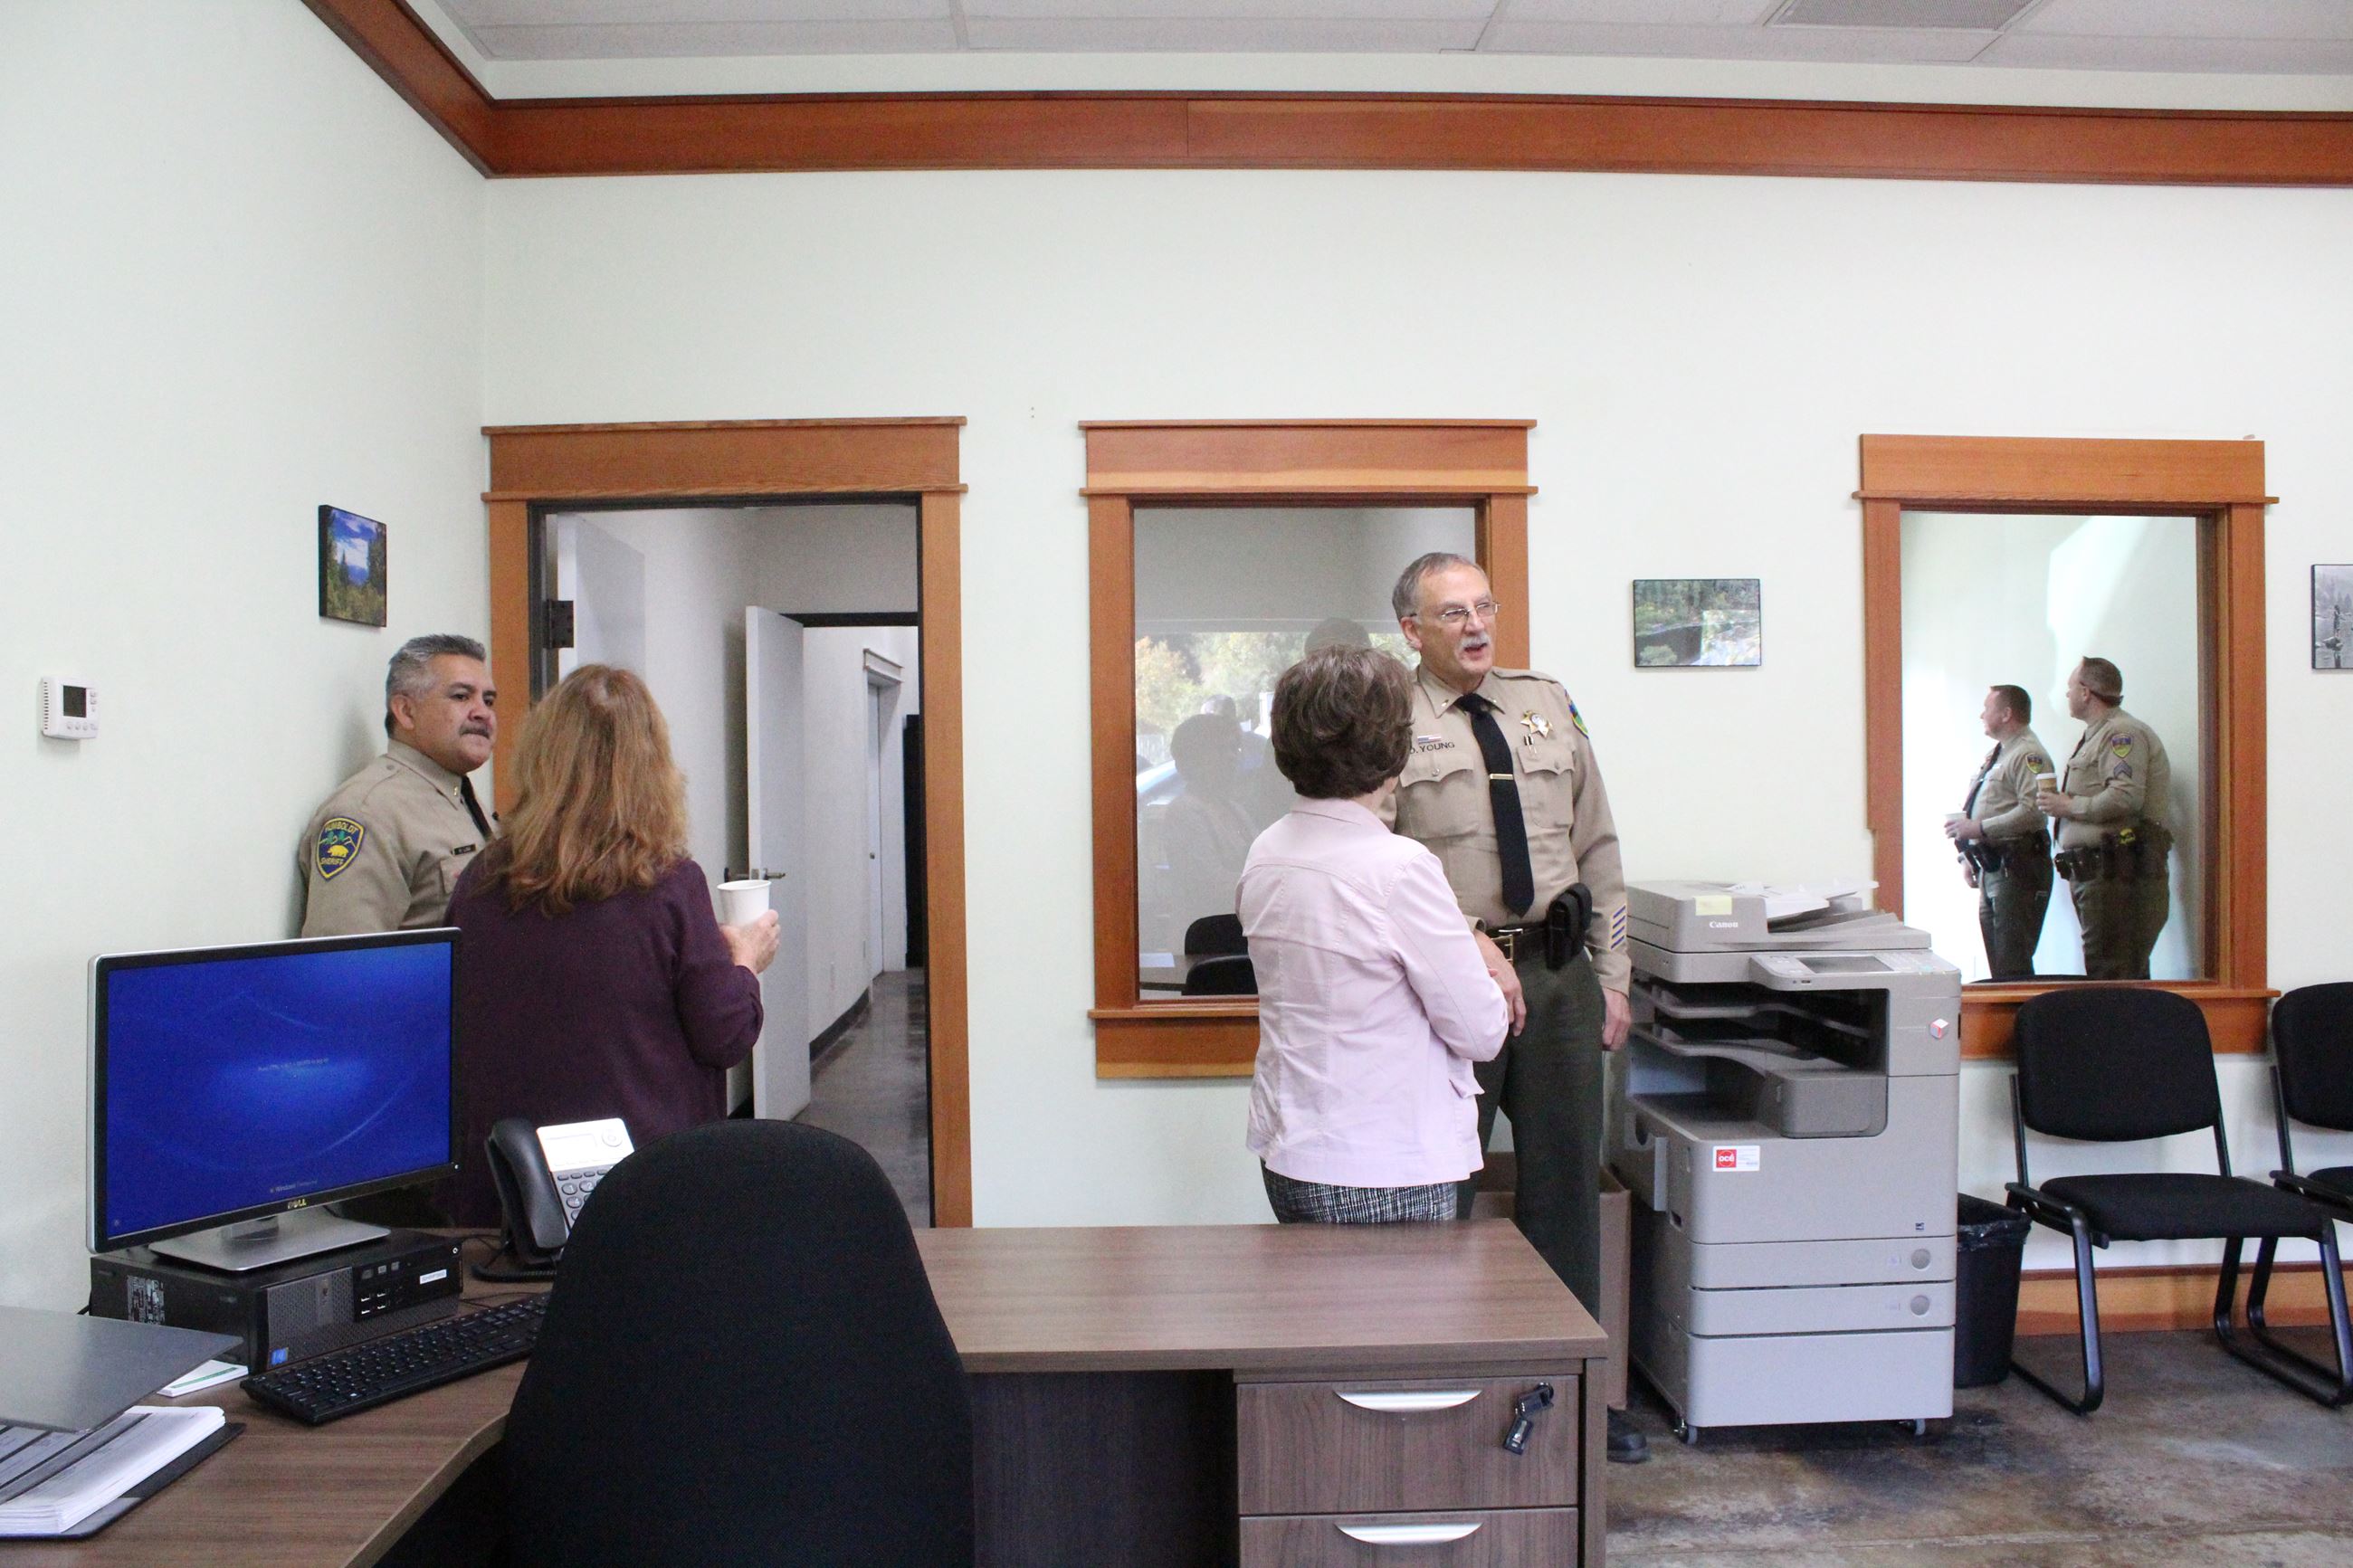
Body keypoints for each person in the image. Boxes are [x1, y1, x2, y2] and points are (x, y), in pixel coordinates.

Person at [1381, 552, 1644, 1463]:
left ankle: (1573, 1391)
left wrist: (1614, 974)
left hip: (1559, 970)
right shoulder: (1388, 723)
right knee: (1436, 1184)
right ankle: (1442, 1381)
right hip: (1451, 982)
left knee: (1567, 1180)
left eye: (1482, 606)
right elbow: (1376, 869)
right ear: (1410, 630)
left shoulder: (1544, 701)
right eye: (1449, 612)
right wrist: (1458, 952)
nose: (1473, 624)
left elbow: (1599, 849)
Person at [443, 664, 778, 1228]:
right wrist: (743, 961)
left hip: (508, 1190)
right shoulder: (667, 883)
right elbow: (725, 1034)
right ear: (653, 766)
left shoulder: (482, 880)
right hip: (640, 1188)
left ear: (542, 757)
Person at [1242, 647, 1508, 1223]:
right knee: (1402, 1316)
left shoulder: (1267, 851)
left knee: (1316, 1312)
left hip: (1292, 1149)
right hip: (1384, 1165)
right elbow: (1482, 1030)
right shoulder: (1398, 867)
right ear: (1393, 749)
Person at [299, 634, 500, 936]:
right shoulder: (367, 814)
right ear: (405, 711)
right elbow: (344, 966)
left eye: (488, 700)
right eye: (461, 696)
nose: (482, 712)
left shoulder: (458, 794)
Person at [2039, 657, 2174, 980]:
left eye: (2071, 687)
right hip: (2101, 874)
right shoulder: (2099, 733)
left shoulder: (2121, 733)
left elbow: (2125, 797)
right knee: (2111, 971)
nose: (2067, 694)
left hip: (2117, 876)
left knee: (2112, 975)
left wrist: (2067, 806)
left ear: (2086, 692)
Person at [1943, 684, 2054, 979]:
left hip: (2018, 868)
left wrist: (1978, 827)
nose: (1981, 714)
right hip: (1992, 867)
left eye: (1987, 708)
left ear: (2006, 714)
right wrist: (1968, 857)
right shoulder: (1998, 755)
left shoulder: (2028, 754)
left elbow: (2034, 811)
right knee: (2000, 968)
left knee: (2012, 963)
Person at [1159, 712, 1260, 945]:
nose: (1230, 757)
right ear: (1191, 759)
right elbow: (1210, 884)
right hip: (1204, 939)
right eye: (1218, 750)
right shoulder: (1184, 812)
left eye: (1234, 749)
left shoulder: (1235, 809)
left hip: (1237, 934)